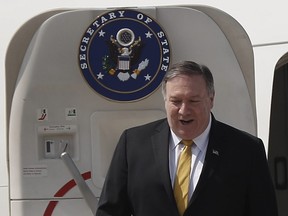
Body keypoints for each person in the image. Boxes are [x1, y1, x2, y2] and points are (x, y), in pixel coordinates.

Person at [96, 61, 278, 216]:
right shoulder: (133, 144)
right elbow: (110, 211)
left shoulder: (246, 150)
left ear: (211, 99)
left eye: (193, 101)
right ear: (165, 101)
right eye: (176, 101)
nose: (184, 110)